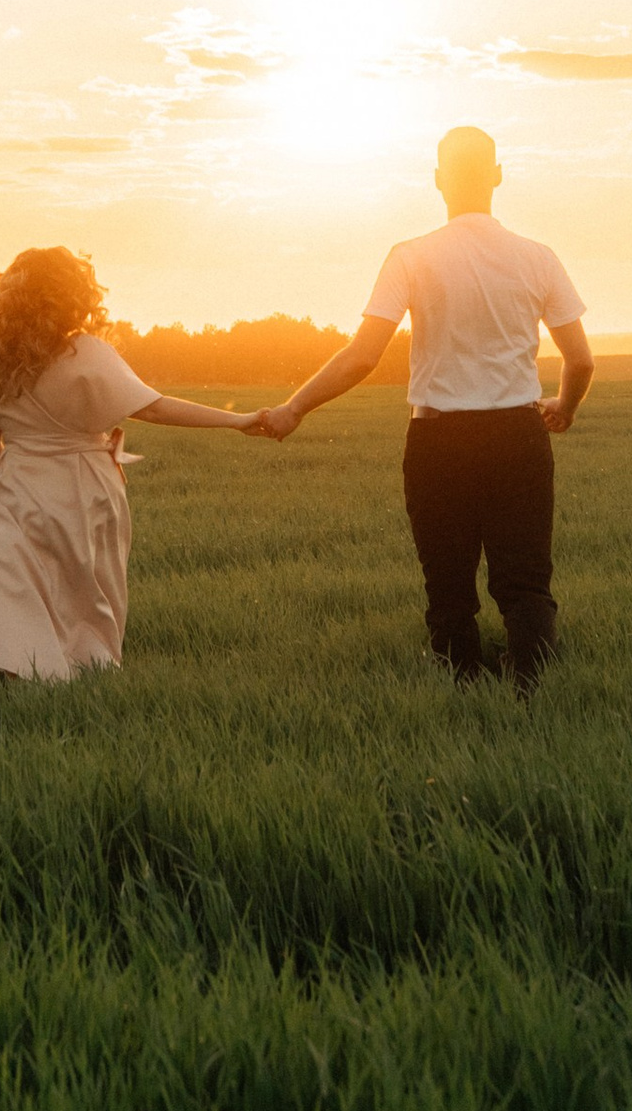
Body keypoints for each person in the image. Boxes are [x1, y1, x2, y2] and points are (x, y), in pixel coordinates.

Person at [249, 127, 593, 692]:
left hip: (438, 441)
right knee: (526, 583)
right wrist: (566, 408)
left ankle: (462, 691)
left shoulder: (410, 256)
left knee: (449, 586)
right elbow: (579, 361)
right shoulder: (538, 258)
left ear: (438, 181)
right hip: (519, 434)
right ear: (498, 175)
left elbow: (362, 357)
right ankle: (536, 698)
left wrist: (294, 408)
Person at [0, 246, 255, 683]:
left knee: (10, 582)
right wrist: (239, 420)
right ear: (74, 295)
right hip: (84, 483)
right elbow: (155, 408)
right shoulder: (85, 352)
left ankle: (11, 666)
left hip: (17, 482)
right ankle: (78, 670)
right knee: (85, 588)